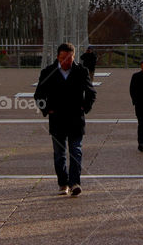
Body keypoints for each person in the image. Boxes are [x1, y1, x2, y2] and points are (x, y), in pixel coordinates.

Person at [34, 42, 96, 196]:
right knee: (59, 154)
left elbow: (91, 93)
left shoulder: (81, 71)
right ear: (57, 57)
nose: (65, 62)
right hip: (57, 119)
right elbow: (39, 95)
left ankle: (75, 182)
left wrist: (84, 107)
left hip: (76, 118)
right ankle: (63, 183)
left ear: (73, 57)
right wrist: (47, 109)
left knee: (76, 151)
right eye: (62, 58)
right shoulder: (48, 72)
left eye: (69, 59)